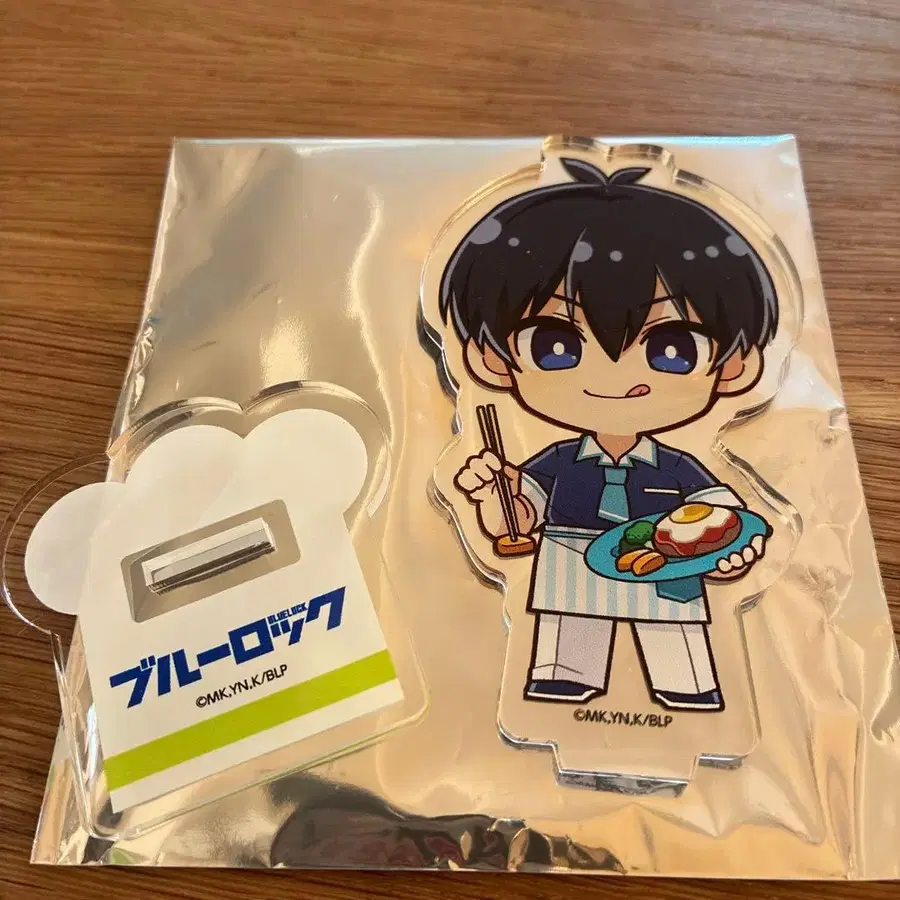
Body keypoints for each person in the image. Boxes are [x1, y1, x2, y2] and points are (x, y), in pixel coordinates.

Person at [441, 158, 777, 712]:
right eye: (555, 346)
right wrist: (496, 494)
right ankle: (565, 681)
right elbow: (519, 518)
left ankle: (686, 689)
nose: (614, 379)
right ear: (491, 359)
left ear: (734, 365)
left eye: (672, 349)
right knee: (568, 639)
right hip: (570, 563)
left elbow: (724, 518)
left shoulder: (676, 467)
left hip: (667, 569)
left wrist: (734, 550)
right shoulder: (556, 460)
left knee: (677, 643)